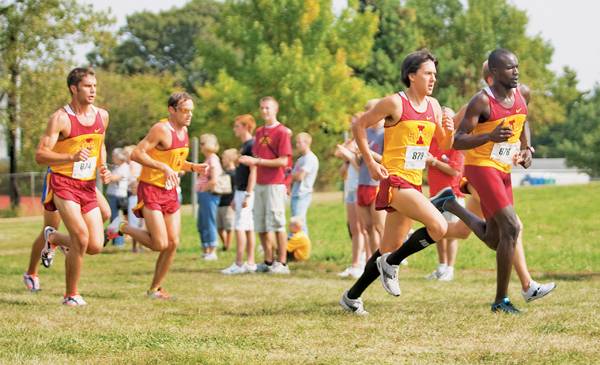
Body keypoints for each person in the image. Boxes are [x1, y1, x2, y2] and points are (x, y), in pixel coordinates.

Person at [339, 50, 455, 315]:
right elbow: (359, 125)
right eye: (428, 73)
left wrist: (449, 127)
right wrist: (369, 161)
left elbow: (445, 144)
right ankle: (391, 264)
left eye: (435, 75)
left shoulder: (434, 106)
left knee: (387, 248)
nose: (433, 79)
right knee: (438, 226)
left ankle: (351, 296)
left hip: (414, 183)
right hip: (394, 181)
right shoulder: (394, 103)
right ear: (411, 75)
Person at [442, 59, 555, 303]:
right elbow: (453, 139)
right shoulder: (479, 102)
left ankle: (448, 206)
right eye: (509, 69)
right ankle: (524, 287)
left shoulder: (520, 95)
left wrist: (527, 149)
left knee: (481, 235)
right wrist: (446, 124)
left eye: (516, 68)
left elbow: (522, 119)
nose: (516, 74)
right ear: (492, 78)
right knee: (513, 226)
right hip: (479, 171)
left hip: (501, 170)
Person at [106, 92, 208, 299]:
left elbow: (175, 163)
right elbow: (136, 154)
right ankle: (121, 227)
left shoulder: (184, 131)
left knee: (173, 244)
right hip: (151, 188)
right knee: (159, 243)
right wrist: (162, 167)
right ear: (172, 110)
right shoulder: (161, 129)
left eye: (191, 111)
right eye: (184, 111)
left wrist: (193, 167)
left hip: (169, 191)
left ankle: (154, 289)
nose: (189, 115)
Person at [35, 67, 111, 306]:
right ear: (73, 88)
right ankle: (71, 295)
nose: (93, 91)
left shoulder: (102, 116)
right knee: (80, 236)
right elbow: (40, 154)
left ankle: (53, 237)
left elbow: (100, 144)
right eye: (88, 86)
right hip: (63, 183)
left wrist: (103, 166)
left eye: (95, 86)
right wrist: (70, 157)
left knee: (95, 245)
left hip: (87, 185)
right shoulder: (61, 118)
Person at [22, 168, 110, 292]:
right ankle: (31, 273)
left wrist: (103, 166)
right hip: (62, 176)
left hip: (83, 178)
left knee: (105, 212)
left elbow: (100, 149)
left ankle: (64, 240)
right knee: (50, 227)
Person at [239, 96, 292, 274]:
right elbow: (256, 159)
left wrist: (258, 160)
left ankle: (282, 263)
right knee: (260, 224)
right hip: (260, 184)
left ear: (275, 109)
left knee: (277, 224)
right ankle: (268, 261)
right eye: (262, 108)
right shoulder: (260, 132)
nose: (264, 111)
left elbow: (284, 160)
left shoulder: (282, 132)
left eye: (267, 108)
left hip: (275, 184)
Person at [424, 107, 465, 281]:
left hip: (452, 194)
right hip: (435, 193)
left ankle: (450, 268)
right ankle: (441, 266)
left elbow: (455, 171)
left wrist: (433, 161)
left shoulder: (456, 142)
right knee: (437, 231)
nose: (443, 122)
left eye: (446, 118)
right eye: (440, 118)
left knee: (451, 233)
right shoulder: (433, 140)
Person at [221, 114, 257, 275]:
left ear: (246, 127)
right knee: (248, 227)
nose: (235, 129)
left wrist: (248, 194)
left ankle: (239, 263)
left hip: (246, 192)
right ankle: (250, 262)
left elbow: (254, 171)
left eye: (237, 126)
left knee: (240, 227)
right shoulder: (244, 146)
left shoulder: (252, 145)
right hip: (240, 191)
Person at [356, 105, 385, 258]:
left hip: (377, 185)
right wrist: (356, 155)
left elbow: (388, 161)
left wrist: (369, 153)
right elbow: (359, 162)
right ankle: (375, 260)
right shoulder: (364, 132)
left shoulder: (385, 133)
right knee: (368, 228)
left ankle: (390, 258)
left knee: (380, 227)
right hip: (362, 183)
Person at [335, 132, 366, 279]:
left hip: (361, 188)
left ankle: (364, 263)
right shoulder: (352, 145)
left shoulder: (364, 142)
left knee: (363, 229)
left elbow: (362, 169)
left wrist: (349, 155)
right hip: (350, 189)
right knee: (354, 229)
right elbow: (342, 173)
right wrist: (346, 159)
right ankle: (355, 264)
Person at [195, 133, 223, 261]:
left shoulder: (213, 159)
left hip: (209, 195)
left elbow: (214, 180)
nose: (201, 146)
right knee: (202, 222)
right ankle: (206, 249)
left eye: (203, 143)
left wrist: (203, 189)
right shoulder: (207, 159)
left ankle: (212, 250)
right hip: (204, 195)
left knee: (209, 221)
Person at [290, 132, 319, 235]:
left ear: (307, 143)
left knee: (299, 223)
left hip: (303, 194)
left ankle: (302, 248)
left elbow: (299, 176)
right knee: (295, 222)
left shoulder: (310, 158)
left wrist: (291, 176)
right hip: (296, 193)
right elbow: (294, 176)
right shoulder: (300, 159)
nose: (297, 145)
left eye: (299, 142)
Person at [105, 147, 130, 247]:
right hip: (114, 196)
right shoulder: (117, 167)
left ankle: (119, 242)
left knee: (116, 219)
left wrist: (105, 172)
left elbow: (113, 178)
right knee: (114, 219)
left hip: (118, 197)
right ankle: (116, 241)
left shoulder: (124, 167)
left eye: (114, 156)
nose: (113, 158)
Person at [123, 145, 144, 253]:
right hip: (132, 196)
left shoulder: (136, 165)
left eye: (127, 154)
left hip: (138, 195)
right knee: (134, 221)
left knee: (140, 221)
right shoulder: (127, 166)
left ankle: (140, 245)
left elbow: (136, 180)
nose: (126, 157)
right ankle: (135, 246)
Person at [217, 148, 237, 251]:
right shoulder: (223, 173)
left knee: (229, 226)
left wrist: (234, 201)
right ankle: (224, 243)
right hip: (219, 203)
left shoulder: (235, 173)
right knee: (219, 227)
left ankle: (227, 246)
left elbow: (236, 189)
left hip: (229, 203)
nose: (222, 160)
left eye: (224, 158)